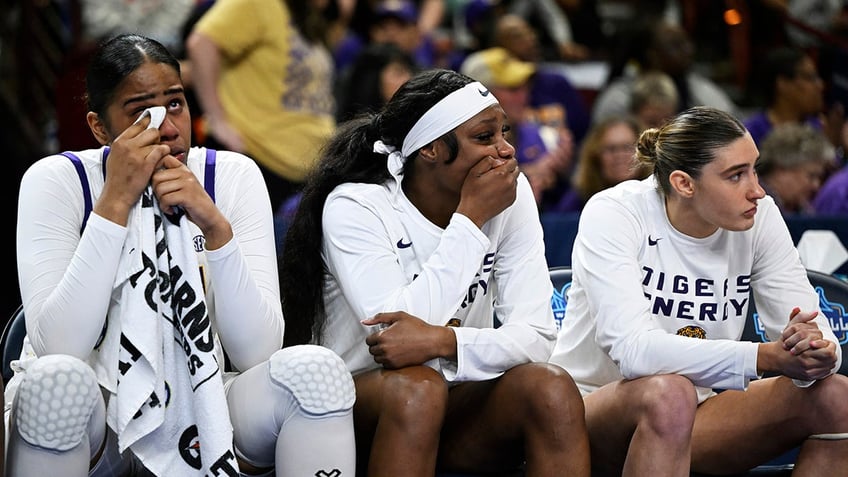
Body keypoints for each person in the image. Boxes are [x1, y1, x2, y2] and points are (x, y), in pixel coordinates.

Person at [11, 33, 356, 477]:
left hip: (208, 401)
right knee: (53, 383)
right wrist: (115, 202)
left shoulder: (229, 176)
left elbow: (257, 351)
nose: (168, 128)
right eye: (141, 112)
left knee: (316, 373)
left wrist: (215, 228)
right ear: (99, 128)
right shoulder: (59, 181)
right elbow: (60, 346)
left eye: (175, 103)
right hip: (95, 414)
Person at [279, 68, 591, 476]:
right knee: (416, 389)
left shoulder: (510, 200)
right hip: (351, 409)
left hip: (454, 399)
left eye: (505, 133)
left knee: (551, 386)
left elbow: (538, 336)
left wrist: (443, 341)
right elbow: (391, 342)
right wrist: (470, 218)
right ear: (429, 149)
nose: (505, 150)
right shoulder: (357, 206)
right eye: (484, 137)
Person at [548, 106, 848, 476]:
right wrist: (765, 357)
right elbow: (635, 352)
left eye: (754, 168)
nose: (757, 190)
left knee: (836, 396)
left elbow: (819, 336)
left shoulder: (761, 216)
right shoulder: (616, 212)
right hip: (587, 416)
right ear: (684, 184)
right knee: (669, 393)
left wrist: (814, 354)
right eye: (736, 176)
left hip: (693, 411)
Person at [186, 0, 338, 213]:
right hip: (258, 163)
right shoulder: (260, 3)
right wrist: (217, 119)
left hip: (303, 177)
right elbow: (202, 44)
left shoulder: (308, 20)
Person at [460, 46, 575, 209]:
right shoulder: (461, 146)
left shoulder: (545, 137)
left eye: (524, 86)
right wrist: (525, 176)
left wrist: (564, 170)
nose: (524, 96)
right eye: (513, 89)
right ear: (482, 94)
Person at [551, 115, 650, 213]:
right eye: (611, 149)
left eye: (627, 147)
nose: (620, 155)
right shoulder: (578, 200)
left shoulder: (658, 197)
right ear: (595, 156)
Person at [757, 122, 835, 215]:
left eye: (819, 177)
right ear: (782, 170)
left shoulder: (804, 210)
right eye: (811, 176)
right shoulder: (756, 208)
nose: (816, 186)